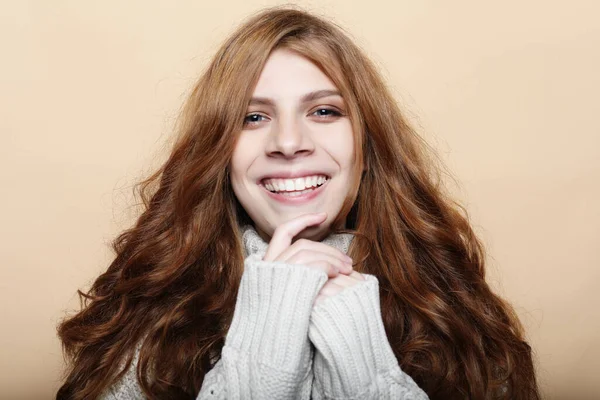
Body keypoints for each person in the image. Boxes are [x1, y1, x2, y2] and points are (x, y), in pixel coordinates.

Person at [56, 6, 541, 400]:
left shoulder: (452, 308)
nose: (288, 142)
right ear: (219, 154)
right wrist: (267, 338)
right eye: (252, 116)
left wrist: (364, 367)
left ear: (367, 147)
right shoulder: (149, 311)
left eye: (324, 111)